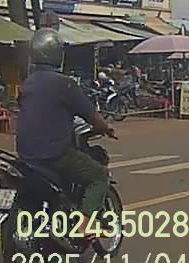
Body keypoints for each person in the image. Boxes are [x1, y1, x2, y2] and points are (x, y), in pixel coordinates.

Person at [15, 28, 116, 236]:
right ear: (58, 55)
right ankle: (85, 224)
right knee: (99, 175)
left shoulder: (28, 83)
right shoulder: (65, 84)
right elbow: (92, 116)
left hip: (25, 155)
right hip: (54, 155)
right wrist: (105, 128)